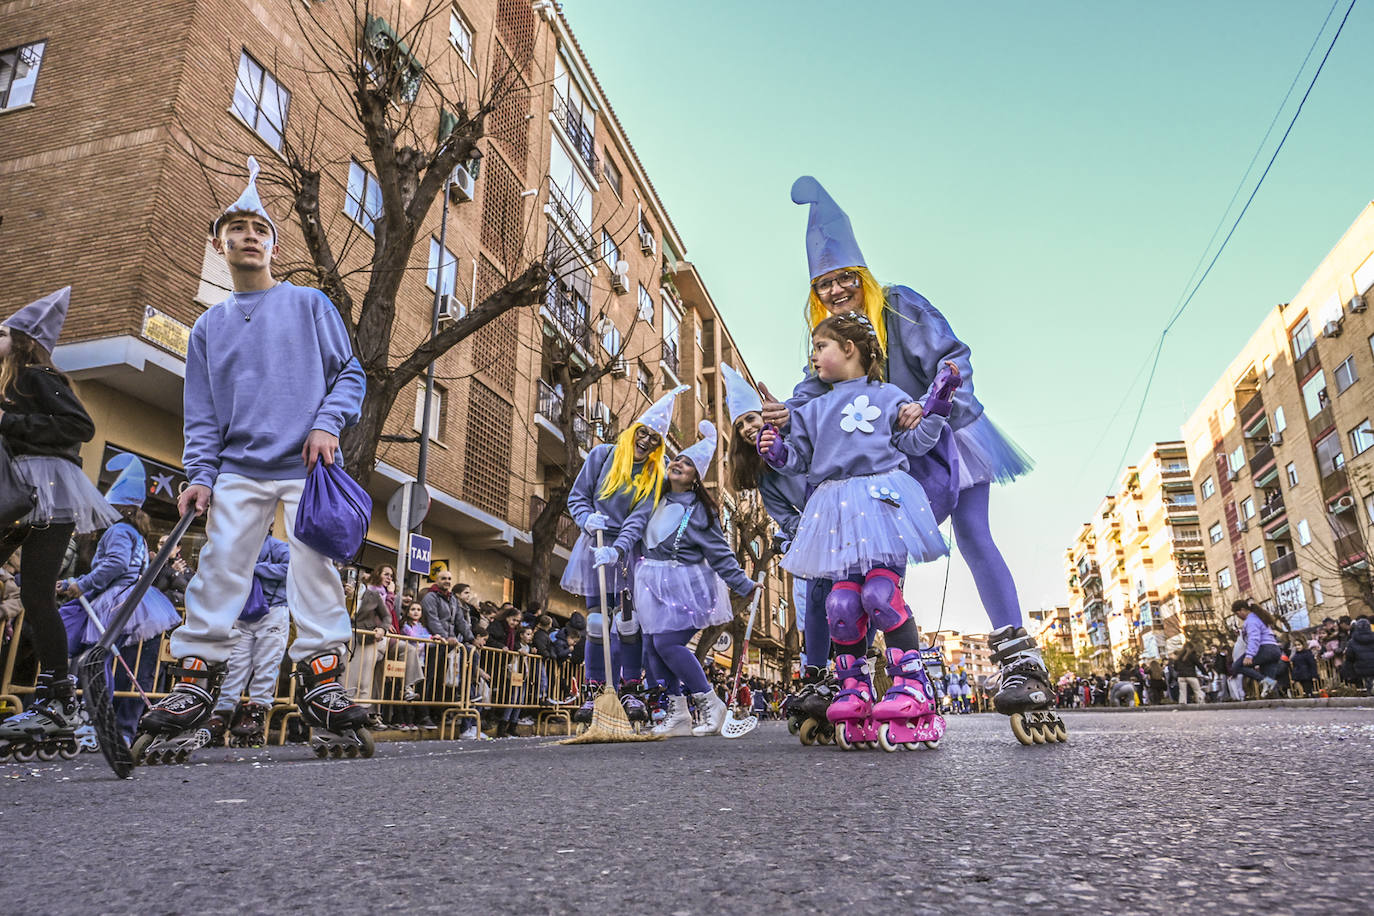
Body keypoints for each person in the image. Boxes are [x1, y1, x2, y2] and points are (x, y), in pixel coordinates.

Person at [762, 178, 1047, 728]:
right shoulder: (829, 338)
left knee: (973, 534)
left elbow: (952, 357)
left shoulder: (899, 305)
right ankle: (839, 677)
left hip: (947, 434)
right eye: (824, 283)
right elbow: (810, 396)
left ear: (862, 276)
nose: (837, 289)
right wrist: (785, 420)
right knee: (852, 563)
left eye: (846, 277)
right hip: (883, 455)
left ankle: (1019, 661)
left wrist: (930, 403)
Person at [136, 158, 370, 760]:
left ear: (272, 243)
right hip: (237, 466)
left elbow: (350, 373)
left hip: (306, 466)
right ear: (219, 243)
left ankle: (321, 682)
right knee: (218, 569)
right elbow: (203, 413)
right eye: (236, 228)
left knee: (314, 570)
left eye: (259, 229)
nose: (248, 236)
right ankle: (194, 681)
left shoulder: (309, 303)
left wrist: (325, 423)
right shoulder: (208, 327)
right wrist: (198, 474)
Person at [757, 312, 950, 747]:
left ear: (849, 349)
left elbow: (915, 443)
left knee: (880, 594)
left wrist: (934, 406)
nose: (813, 358)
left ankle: (911, 686)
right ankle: (853, 688)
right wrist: (776, 451)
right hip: (836, 505)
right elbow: (800, 461)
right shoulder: (810, 408)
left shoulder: (888, 395)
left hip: (881, 502)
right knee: (842, 603)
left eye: (820, 347)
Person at [0, 288, 122, 759]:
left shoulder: (36, 375)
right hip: (23, 493)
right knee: (32, 592)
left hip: (49, 494)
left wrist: (9, 424)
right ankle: (57, 696)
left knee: (35, 592)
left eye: (4, 332)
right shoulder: (14, 382)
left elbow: (80, 427)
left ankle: (58, 697)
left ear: (25, 340)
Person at [562, 384, 687, 724]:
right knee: (597, 623)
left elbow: (638, 520)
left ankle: (630, 689)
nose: (646, 442)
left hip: (627, 554)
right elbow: (578, 497)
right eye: (643, 433)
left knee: (627, 623)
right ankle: (596, 692)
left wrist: (617, 550)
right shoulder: (601, 455)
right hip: (593, 544)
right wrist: (587, 519)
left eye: (655, 440)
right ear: (634, 430)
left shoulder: (653, 476)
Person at [635, 422, 757, 738]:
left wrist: (744, 584)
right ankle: (677, 714)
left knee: (667, 642)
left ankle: (711, 704)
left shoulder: (699, 510)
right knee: (652, 647)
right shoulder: (653, 501)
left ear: (695, 479)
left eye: (688, 464)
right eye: (678, 459)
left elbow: (719, 552)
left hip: (690, 588)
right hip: (652, 586)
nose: (679, 464)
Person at [58, 455, 181, 743]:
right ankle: (117, 724)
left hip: (116, 602)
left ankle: (101, 718)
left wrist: (82, 584)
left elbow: (114, 565)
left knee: (97, 660)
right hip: (136, 601)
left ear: (119, 508)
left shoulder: (117, 530)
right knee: (119, 664)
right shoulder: (135, 533)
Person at [204, 531, 292, 745]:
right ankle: (222, 714)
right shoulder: (238, 546)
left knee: (266, 664)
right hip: (243, 614)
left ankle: (255, 712)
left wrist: (254, 567)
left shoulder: (279, 547)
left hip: (273, 610)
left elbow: (291, 569)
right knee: (235, 665)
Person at [1233, 598, 1284, 698]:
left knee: (1237, 666)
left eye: (1237, 614)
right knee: (1270, 685)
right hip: (1274, 650)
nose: (1238, 617)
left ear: (1242, 610)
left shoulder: (1251, 620)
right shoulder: (1259, 618)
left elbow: (1254, 638)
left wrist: (1249, 655)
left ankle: (1263, 680)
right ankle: (1275, 698)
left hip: (1265, 648)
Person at [1344, 618, 1374, 695]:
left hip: (1363, 669)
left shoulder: (1352, 642)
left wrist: (1350, 673)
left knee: (1368, 686)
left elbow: (1349, 658)